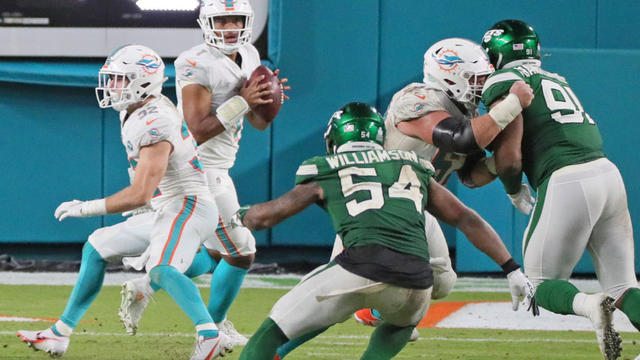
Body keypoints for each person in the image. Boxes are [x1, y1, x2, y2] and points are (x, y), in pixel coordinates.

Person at [273, 38, 538, 359]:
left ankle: (377, 313)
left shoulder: (463, 113)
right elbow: (461, 138)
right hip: (373, 209)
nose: (482, 86)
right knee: (331, 303)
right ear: (450, 75)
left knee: (441, 282)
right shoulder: (420, 99)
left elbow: (471, 176)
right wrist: (511, 105)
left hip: (414, 212)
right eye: (476, 78)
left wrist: (504, 160)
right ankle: (275, 350)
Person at [17, 45, 233, 359]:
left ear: (142, 82)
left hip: (189, 206)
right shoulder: (134, 109)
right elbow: (149, 187)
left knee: (161, 269)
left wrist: (86, 207)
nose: (111, 86)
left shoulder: (154, 121)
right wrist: (146, 201)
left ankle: (208, 333)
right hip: (168, 206)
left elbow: (141, 193)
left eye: (119, 79)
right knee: (96, 247)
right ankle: (59, 334)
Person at [118, 0, 290, 347]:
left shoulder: (250, 56)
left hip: (218, 166)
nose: (229, 27)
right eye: (222, 20)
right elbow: (195, 129)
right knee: (241, 253)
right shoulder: (195, 62)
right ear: (206, 22)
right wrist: (242, 100)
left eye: (236, 19)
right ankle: (212, 330)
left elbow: (257, 124)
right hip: (197, 168)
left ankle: (148, 284)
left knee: (213, 255)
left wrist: (269, 101)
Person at [481, 19, 638, 360]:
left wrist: (512, 187)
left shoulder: (503, 80)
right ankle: (605, 301)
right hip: (607, 173)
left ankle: (591, 305)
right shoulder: (555, 78)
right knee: (625, 285)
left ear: (496, 54)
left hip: (567, 178)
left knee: (538, 282)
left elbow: (509, 158)